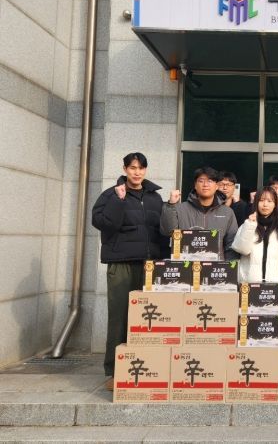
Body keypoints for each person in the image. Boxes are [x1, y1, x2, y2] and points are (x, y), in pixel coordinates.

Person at [91, 152, 165, 391]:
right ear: (125, 169)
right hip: (122, 263)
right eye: (132, 168)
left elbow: (161, 231)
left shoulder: (155, 198)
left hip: (149, 265)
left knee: (148, 320)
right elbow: (103, 223)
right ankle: (114, 371)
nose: (137, 172)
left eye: (141, 168)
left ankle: (144, 368)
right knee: (119, 317)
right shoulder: (111, 195)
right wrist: (119, 200)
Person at [160, 166, 238, 260]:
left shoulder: (227, 212)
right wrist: (171, 205)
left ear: (216, 186)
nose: (205, 185)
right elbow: (167, 231)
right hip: (185, 265)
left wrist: (228, 267)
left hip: (216, 266)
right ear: (195, 185)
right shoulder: (180, 209)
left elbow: (231, 244)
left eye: (210, 181)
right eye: (201, 181)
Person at [231, 187, 278, 292]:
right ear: (256, 203)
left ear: (275, 204)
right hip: (248, 284)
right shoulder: (247, 224)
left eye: (269, 201)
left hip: (274, 286)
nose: (265, 204)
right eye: (261, 200)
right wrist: (250, 226)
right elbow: (242, 250)